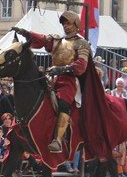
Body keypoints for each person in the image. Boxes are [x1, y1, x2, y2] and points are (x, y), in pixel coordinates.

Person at [13, 10, 91, 153]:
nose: (66, 26)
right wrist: (26, 33)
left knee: (62, 104)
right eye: (64, 24)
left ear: (76, 24)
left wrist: (61, 69)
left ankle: (58, 140)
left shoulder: (82, 44)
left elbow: (81, 67)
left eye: (69, 23)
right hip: (52, 77)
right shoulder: (58, 40)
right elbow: (42, 40)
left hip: (69, 80)